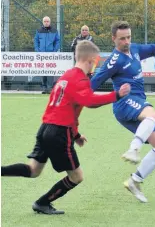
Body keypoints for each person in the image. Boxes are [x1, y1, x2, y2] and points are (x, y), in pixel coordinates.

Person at [1, 40, 130, 215]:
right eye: (96, 61)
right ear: (90, 60)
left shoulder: (66, 76)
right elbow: (89, 101)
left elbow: (69, 110)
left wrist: (76, 136)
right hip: (58, 133)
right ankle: (42, 203)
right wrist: (116, 95)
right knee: (77, 177)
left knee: (33, 170)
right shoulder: (80, 79)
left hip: (45, 129)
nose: (96, 65)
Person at [91, 21, 155, 203]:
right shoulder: (114, 61)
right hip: (124, 103)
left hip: (138, 103)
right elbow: (92, 84)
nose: (126, 41)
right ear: (113, 39)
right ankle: (133, 149)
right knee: (154, 115)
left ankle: (135, 181)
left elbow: (153, 48)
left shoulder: (134, 49)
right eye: (122, 39)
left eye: (128, 37)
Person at [34, 16, 60, 94]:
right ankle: (44, 87)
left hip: (50, 54)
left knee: (50, 71)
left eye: (47, 21)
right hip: (41, 55)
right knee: (43, 71)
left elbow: (57, 41)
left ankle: (50, 88)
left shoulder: (54, 31)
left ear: (50, 22)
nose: (46, 22)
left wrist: (54, 50)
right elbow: (36, 41)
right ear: (43, 22)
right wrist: (38, 50)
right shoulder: (38, 30)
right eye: (45, 21)